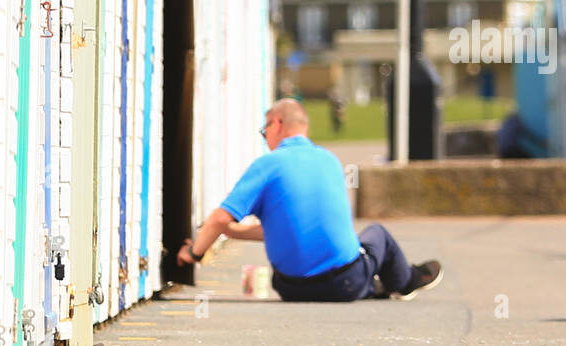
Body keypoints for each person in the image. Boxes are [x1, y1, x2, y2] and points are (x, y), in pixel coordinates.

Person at [176, 98, 443, 300]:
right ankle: (405, 281)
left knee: (360, 256)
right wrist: (216, 238)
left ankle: (377, 284)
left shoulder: (267, 165)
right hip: (345, 283)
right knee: (378, 234)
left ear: (277, 124)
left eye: (264, 129)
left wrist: (194, 252)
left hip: (290, 288)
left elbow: (222, 219)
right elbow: (307, 228)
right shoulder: (330, 161)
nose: (265, 137)